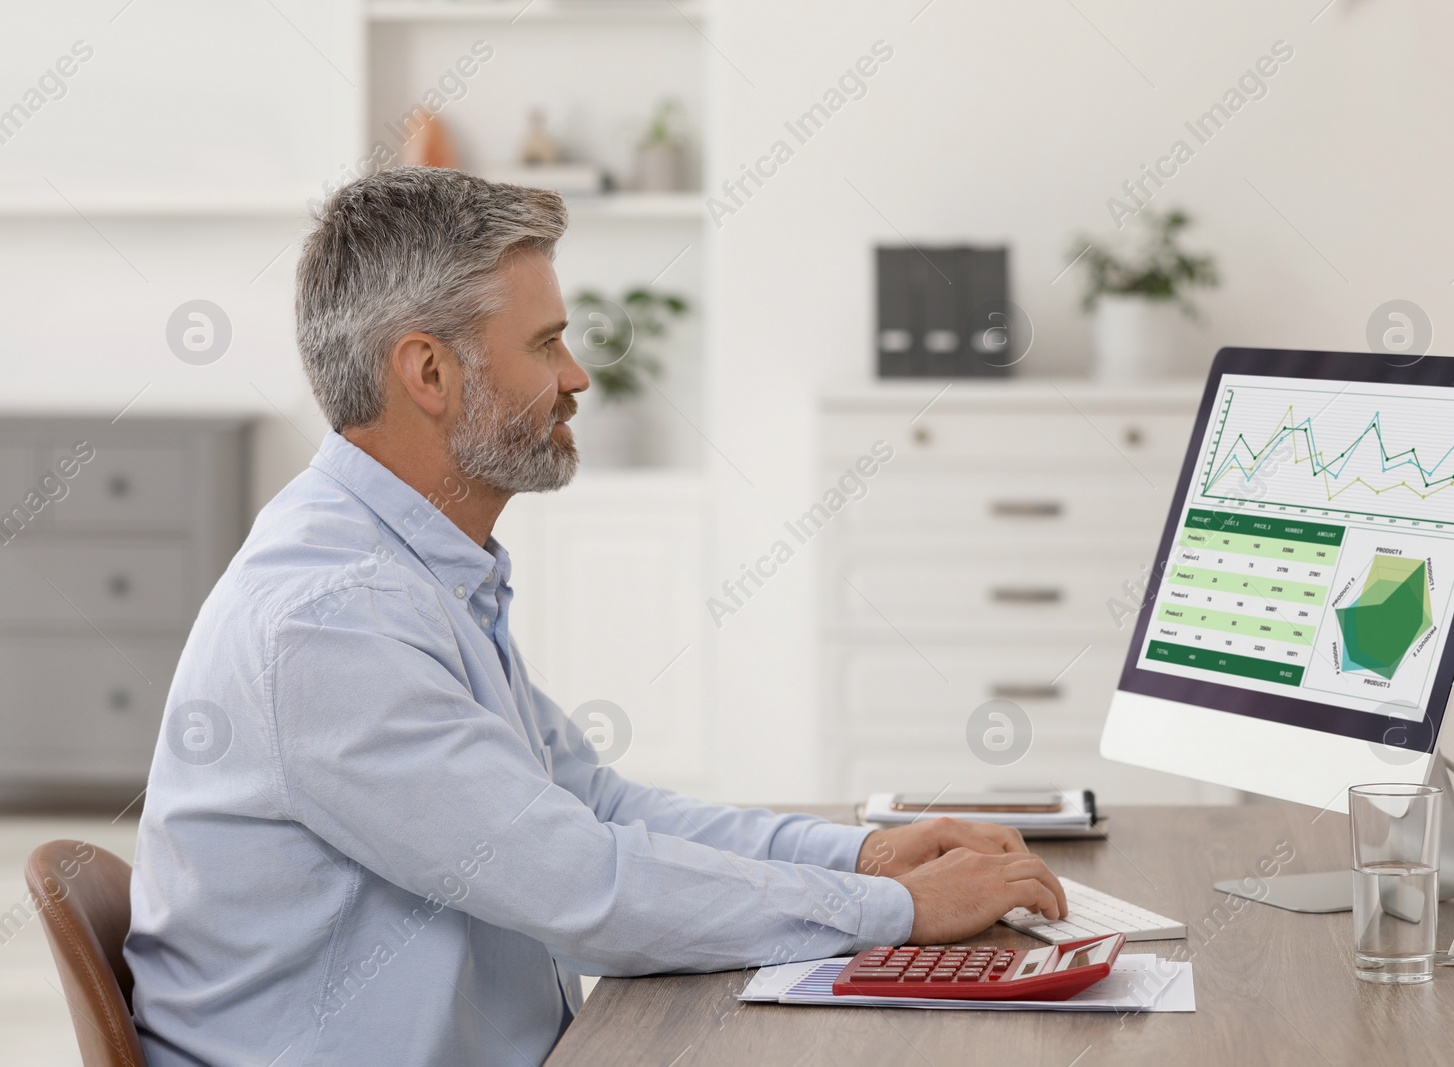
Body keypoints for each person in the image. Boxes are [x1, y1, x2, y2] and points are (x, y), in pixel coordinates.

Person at [125, 166, 1067, 1066]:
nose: (577, 376)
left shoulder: (414, 573)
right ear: (428, 372)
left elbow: (598, 810)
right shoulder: (330, 621)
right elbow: (584, 882)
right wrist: (897, 910)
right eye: (544, 343)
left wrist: (868, 852)